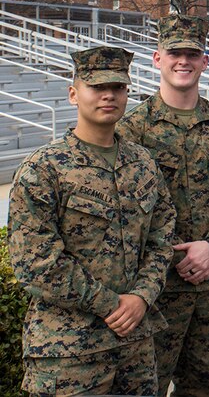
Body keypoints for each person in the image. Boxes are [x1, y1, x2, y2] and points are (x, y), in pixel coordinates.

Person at [8, 46, 176, 396]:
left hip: (135, 349)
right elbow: (36, 262)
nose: (108, 95)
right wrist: (113, 304)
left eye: (117, 88)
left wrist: (142, 296)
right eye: (96, 87)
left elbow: (162, 238)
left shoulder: (142, 163)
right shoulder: (44, 169)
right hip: (69, 352)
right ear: (73, 94)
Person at [118, 14, 209, 397]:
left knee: (208, 390)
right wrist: (173, 256)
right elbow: (126, 213)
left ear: (205, 61)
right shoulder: (132, 130)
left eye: (193, 53)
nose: (183, 61)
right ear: (157, 58)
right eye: (174, 52)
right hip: (156, 292)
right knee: (147, 387)